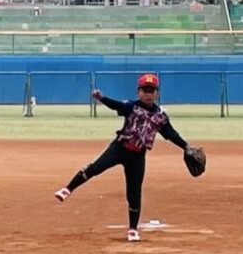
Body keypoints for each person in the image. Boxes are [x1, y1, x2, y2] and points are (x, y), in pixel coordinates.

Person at [53, 73, 197, 242]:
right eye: (145, 90)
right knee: (96, 167)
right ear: (139, 92)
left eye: (152, 90)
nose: (148, 94)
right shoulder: (131, 107)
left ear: (157, 93)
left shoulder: (160, 117)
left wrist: (186, 146)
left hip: (138, 156)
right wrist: (101, 98)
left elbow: (171, 134)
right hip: (119, 148)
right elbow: (115, 105)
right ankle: (68, 189)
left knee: (134, 192)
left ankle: (133, 230)